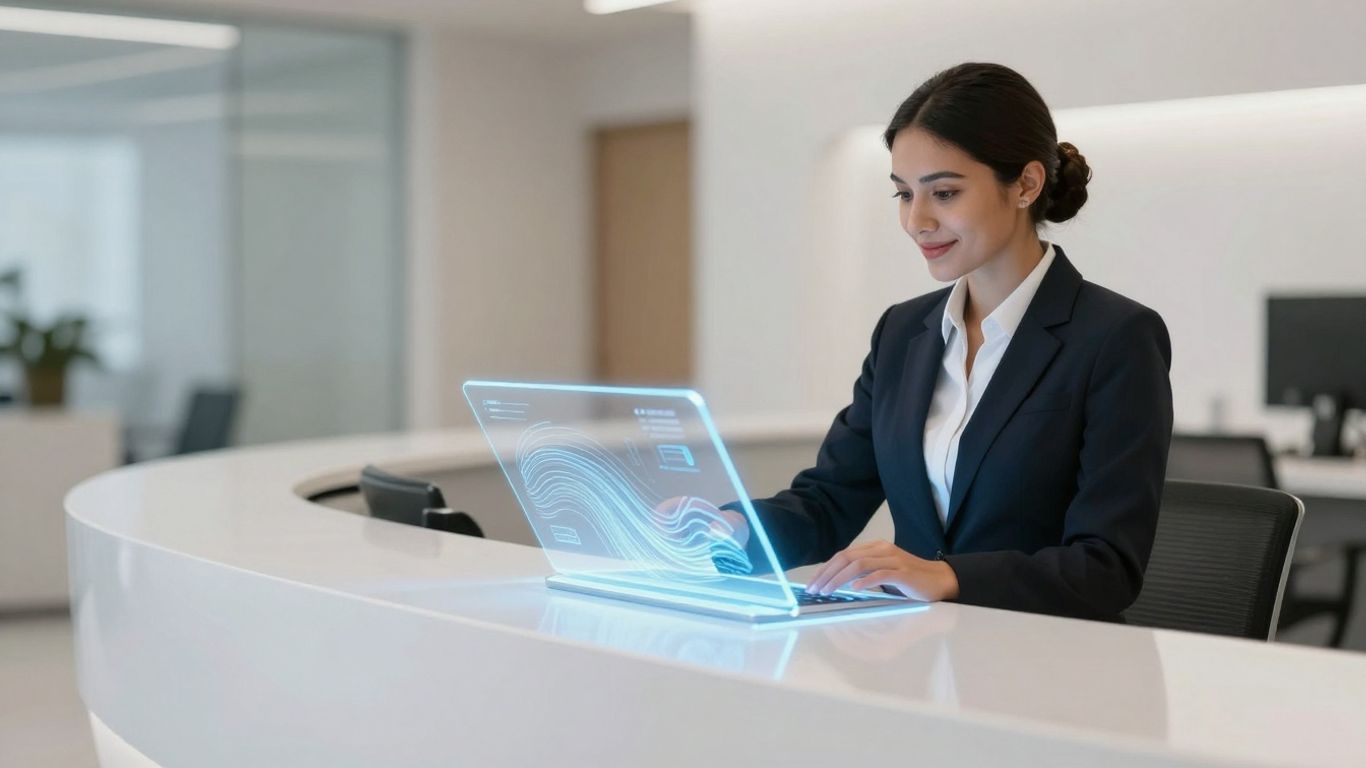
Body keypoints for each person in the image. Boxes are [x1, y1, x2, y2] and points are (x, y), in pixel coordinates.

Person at [711, 62, 1173, 621]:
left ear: (1026, 184)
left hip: (1049, 664)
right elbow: (828, 502)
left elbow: (1106, 568)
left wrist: (949, 576)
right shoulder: (903, 334)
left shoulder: (1114, 337)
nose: (917, 221)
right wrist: (727, 530)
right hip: (920, 652)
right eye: (904, 195)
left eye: (945, 192)